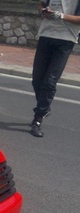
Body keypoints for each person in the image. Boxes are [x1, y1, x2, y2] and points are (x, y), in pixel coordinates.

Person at [30, 0, 80, 137]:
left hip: (66, 39)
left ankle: (38, 119)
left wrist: (61, 16)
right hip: (46, 35)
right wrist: (43, 12)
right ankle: (45, 108)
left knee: (50, 80)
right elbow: (40, 4)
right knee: (37, 79)